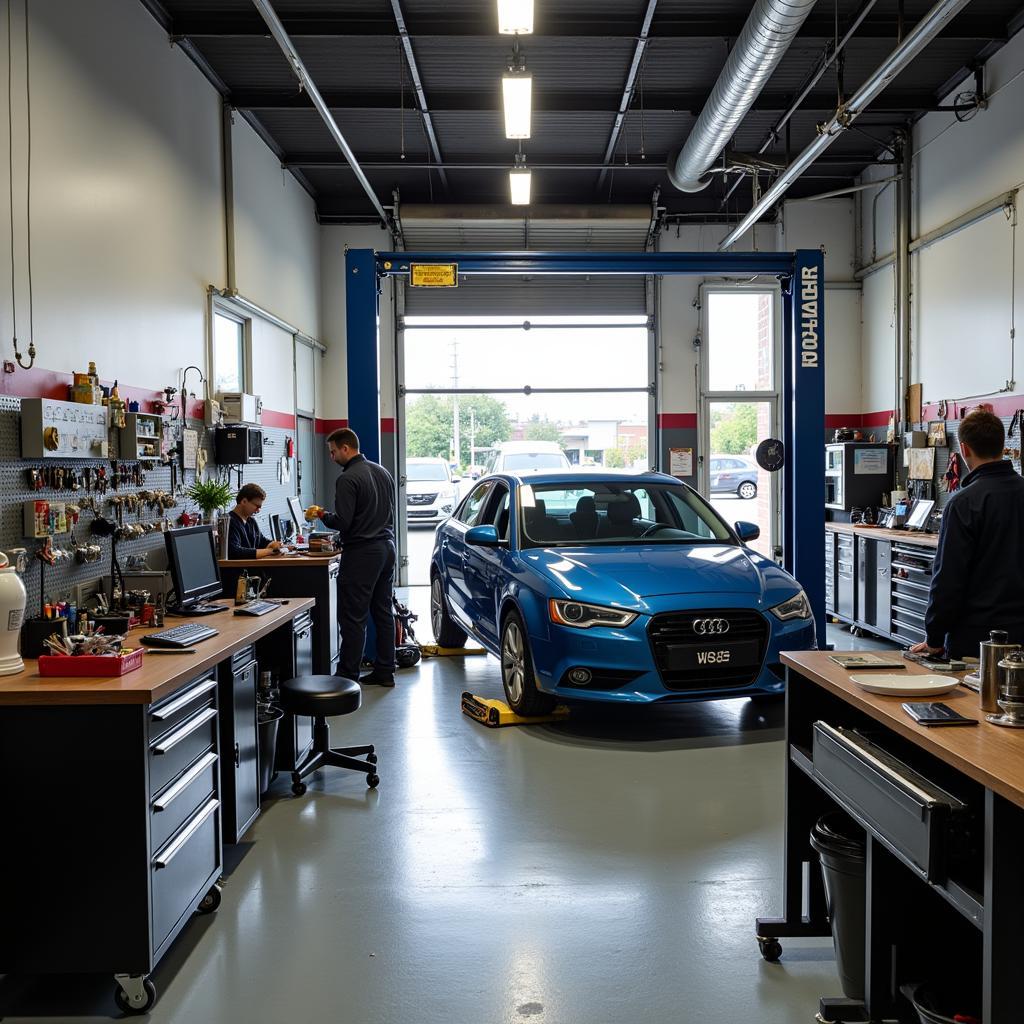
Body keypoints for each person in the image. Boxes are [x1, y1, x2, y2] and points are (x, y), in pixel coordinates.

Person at [911, 409, 1024, 659]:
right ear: (1002, 444)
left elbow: (948, 579)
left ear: (964, 449)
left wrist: (934, 637)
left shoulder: (963, 503)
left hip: (976, 640)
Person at [312, 428, 398, 686]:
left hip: (362, 553)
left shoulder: (348, 478)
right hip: (386, 548)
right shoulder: (382, 472)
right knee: (383, 612)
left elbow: (344, 523)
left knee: (353, 617)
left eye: (333, 451)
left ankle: (348, 675)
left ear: (346, 448)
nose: (331, 456)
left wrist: (321, 515)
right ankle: (385, 671)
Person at [227, 483, 284, 559]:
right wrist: (270, 551)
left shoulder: (251, 521)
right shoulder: (229, 522)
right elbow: (235, 552)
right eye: (257, 506)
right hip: (241, 569)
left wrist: (274, 544)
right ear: (244, 501)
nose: (258, 510)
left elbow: (262, 541)